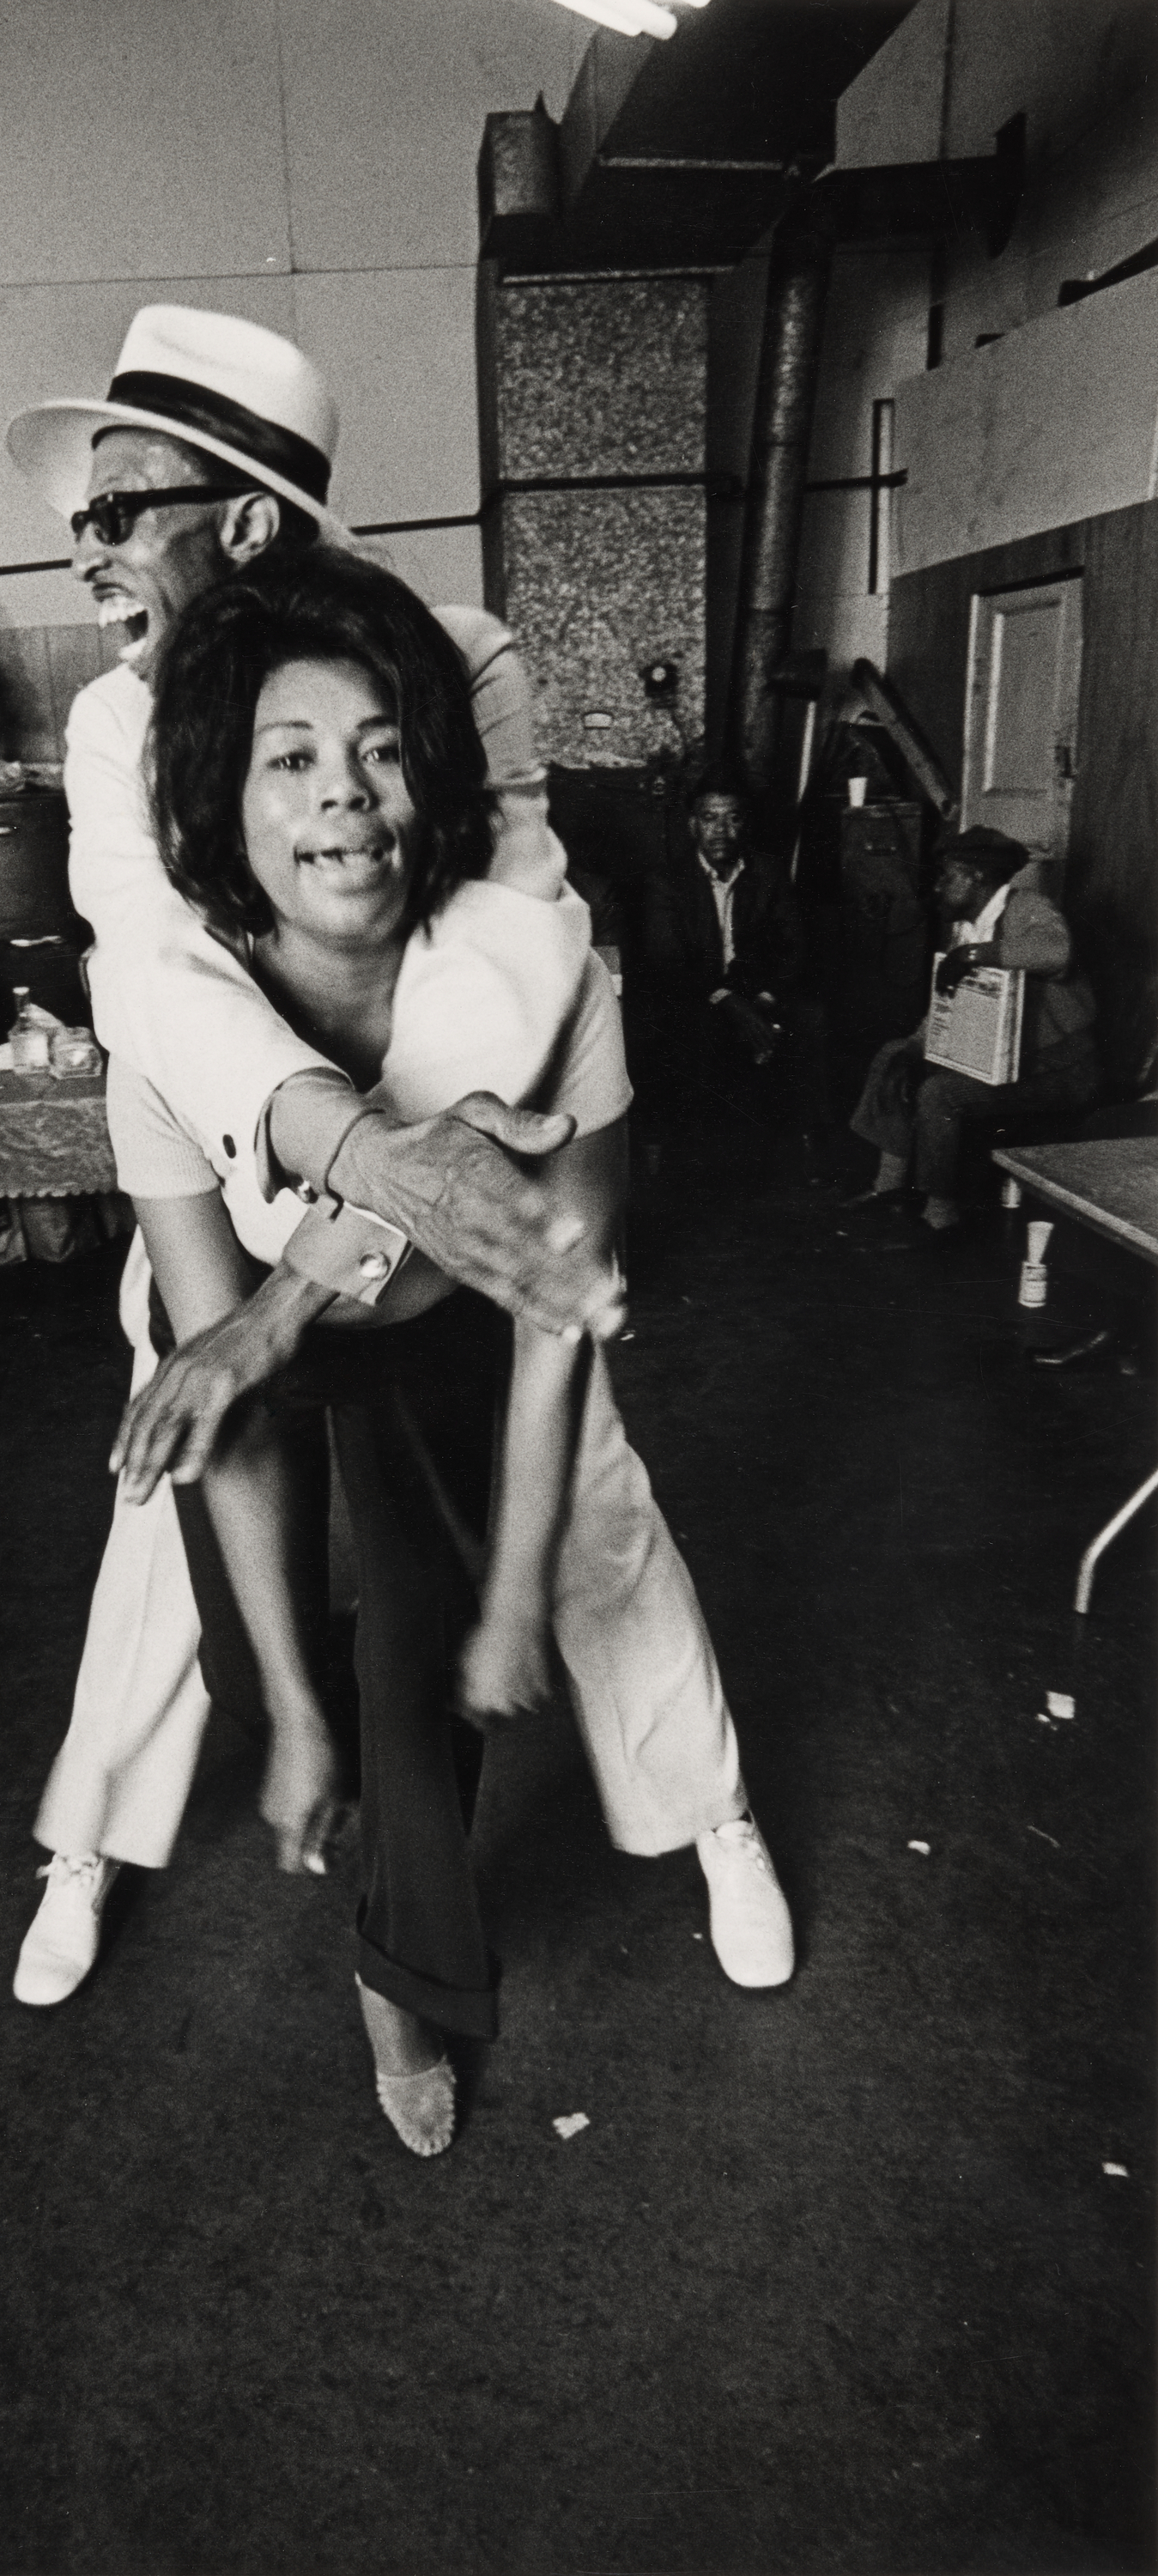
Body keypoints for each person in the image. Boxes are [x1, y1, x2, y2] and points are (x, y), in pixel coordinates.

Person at [102, 551, 792, 2155]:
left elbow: (558, 1302)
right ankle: (314, 1737)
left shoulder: (548, 973)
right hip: (271, 1363)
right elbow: (240, 1398)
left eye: (383, 749)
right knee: (270, 1677)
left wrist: (504, 1600)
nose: (345, 800)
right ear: (225, 803)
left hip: (454, 1339)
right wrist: (283, 1703)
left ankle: (400, 1984)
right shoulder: (169, 1025)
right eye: (291, 759)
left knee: (432, 1663)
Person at [4, 307, 628, 2004]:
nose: (86, 543)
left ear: (251, 523)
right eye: (283, 765)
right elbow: (148, 982)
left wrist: (328, 1267)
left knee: (575, 1562)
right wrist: (291, 1253)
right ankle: (93, 1841)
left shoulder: (455, 661)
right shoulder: (115, 728)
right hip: (229, 1181)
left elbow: (508, 959)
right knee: (189, 1553)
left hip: (458, 1235)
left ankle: (640, 1837)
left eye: (121, 506)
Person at [846, 827, 1099, 1235]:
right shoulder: (964, 927)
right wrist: (915, 1048)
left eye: (947, 876)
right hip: (1000, 1062)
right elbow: (948, 1009)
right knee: (894, 1058)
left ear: (976, 877)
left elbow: (1057, 951)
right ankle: (888, 1188)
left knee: (941, 1093)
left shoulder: (1027, 908)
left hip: (1059, 1072)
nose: (938, 886)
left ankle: (940, 1215)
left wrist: (977, 954)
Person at [634, 771, 828, 1153]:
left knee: (814, 1019)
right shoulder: (667, 881)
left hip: (756, 994)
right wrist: (729, 1002)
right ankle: (705, 1156)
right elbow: (668, 961)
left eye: (733, 818)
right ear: (693, 825)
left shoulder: (769, 874)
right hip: (695, 997)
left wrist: (765, 1000)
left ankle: (808, 1142)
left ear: (746, 823)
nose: (721, 829)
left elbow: (794, 948)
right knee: (701, 1031)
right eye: (710, 818)